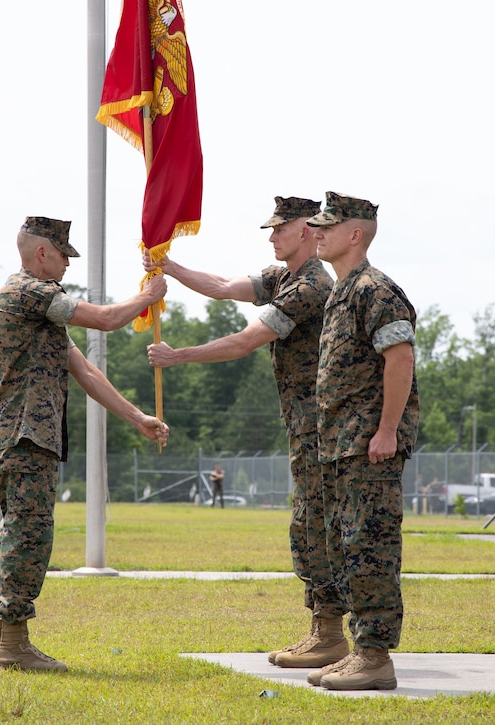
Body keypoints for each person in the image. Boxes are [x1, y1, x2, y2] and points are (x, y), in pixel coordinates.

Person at [145, 195, 347, 669]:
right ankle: (322, 628)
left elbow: (246, 341)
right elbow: (220, 286)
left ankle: (331, 633)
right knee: (307, 521)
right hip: (304, 423)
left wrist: (179, 356)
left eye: (280, 228)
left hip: (320, 424)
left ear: (304, 231)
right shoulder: (284, 277)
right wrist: (170, 266)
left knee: (314, 522)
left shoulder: (311, 286)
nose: (272, 235)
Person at [0, 215, 169, 671]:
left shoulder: (39, 307)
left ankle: (4, 642)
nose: (67, 265)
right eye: (64, 255)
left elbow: (85, 370)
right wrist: (147, 296)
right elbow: (105, 320)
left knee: (23, 533)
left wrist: (136, 417)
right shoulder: (28, 292)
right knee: (28, 534)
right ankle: (11, 644)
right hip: (25, 434)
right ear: (41, 252)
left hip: (31, 435)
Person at [304, 192, 420, 691]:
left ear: (356, 233)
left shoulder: (376, 290)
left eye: (328, 227)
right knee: (346, 547)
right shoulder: (342, 290)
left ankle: (375, 657)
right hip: (340, 444)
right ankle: (359, 651)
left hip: (367, 443)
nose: (318, 233)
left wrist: (388, 429)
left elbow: (400, 358)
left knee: (370, 545)